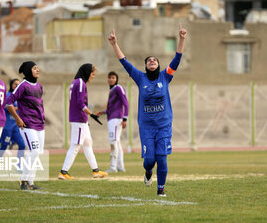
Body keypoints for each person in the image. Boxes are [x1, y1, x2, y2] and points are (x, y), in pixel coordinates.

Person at [108, 23, 187, 196]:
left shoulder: (165, 76)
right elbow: (124, 62)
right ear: (145, 66)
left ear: (158, 65)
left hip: (164, 125)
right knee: (150, 160)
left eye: (155, 60)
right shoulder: (140, 77)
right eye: (148, 60)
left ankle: (161, 190)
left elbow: (177, 59)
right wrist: (114, 44)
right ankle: (148, 173)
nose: (152, 61)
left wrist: (181, 39)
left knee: (162, 159)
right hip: (147, 126)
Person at [58, 63, 108, 180]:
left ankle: (95, 171)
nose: (93, 76)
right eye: (93, 74)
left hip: (81, 119)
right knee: (76, 145)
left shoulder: (76, 82)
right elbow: (80, 103)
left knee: (87, 143)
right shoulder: (80, 82)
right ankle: (63, 172)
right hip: (79, 119)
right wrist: (91, 114)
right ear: (87, 72)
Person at [6, 61, 45, 190]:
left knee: (37, 153)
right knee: (33, 151)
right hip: (27, 125)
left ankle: (31, 183)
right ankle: (22, 179)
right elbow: (9, 103)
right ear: (29, 71)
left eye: (37, 68)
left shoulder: (39, 86)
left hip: (40, 125)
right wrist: (18, 119)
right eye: (34, 68)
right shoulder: (23, 85)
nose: (37, 70)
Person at [96, 71, 129, 173]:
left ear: (116, 79)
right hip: (112, 118)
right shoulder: (112, 91)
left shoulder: (118, 88)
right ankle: (120, 166)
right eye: (109, 78)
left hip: (116, 119)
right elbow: (113, 107)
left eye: (113, 78)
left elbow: (126, 103)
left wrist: (125, 118)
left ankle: (113, 167)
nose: (111, 79)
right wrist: (104, 112)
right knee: (117, 143)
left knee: (113, 142)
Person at [0, 79, 25, 164]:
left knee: (22, 145)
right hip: (7, 126)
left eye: (18, 84)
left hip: (16, 127)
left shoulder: (19, 97)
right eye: (15, 84)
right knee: (4, 145)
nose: (17, 86)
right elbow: (6, 107)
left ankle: (19, 164)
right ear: (11, 85)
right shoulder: (8, 95)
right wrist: (18, 108)